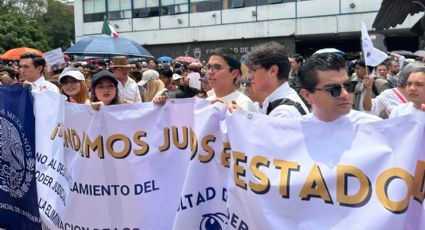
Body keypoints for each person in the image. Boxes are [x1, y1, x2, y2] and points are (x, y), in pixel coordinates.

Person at [298, 53, 381, 123]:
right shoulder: (292, 135)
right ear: (307, 95)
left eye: (348, 85)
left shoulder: (373, 127)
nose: (345, 94)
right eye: (334, 89)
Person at [244, 42, 308, 117]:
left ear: (273, 71)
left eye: (253, 70)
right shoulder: (272, 100)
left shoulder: (285, 112)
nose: (249, 77)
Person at [207, 48, 257, 112]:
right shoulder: (207, 101)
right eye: (209, 67)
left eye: (217, 67)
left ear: (234, 73)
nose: (210, 72)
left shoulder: (243, 104)